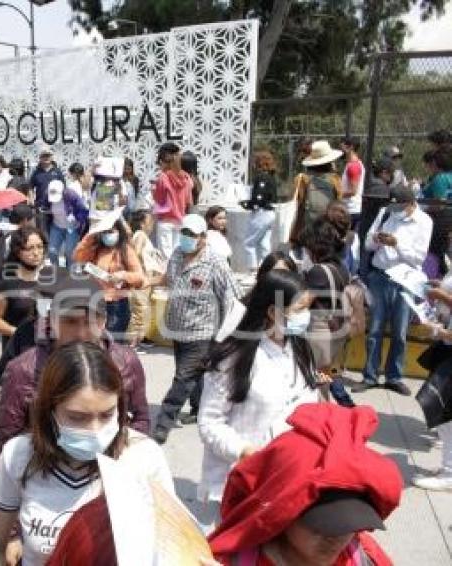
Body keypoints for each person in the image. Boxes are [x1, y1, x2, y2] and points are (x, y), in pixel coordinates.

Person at [0, 342, 174, 566]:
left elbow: (171, 548)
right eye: (76, 417)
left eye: (106, 415)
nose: (95, 431)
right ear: (49, 409)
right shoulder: (19, 455)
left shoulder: (143, 456)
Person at [208, 404, 402, 566]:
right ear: (278, 516)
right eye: (323, 525)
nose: (336, 537)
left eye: (349, 524)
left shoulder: (364, 557)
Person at [0, 273, 150, 465]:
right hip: (45, 473)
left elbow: (140, 420)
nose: (81, 333)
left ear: (104, 321)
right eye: (70, 321)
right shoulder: (23, 370)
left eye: (91, 321)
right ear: (52, 321)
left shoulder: (125, 362)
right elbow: (6, 440)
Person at [198, 270, 320, 507]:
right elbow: (209, 422)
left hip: (285, 480)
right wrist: (244, 451)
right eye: (299, 309)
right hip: (238, 484)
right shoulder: (235, 359)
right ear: (274, 312)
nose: (305, 316)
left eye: (307, 308)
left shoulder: (300, 351)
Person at [153, 214, 241, 443]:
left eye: (192, 235)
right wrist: (142, 280)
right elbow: (167, 280)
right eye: (184, 233)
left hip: (202, 333)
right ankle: (197, 407)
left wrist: (225, 335)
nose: (186, 238)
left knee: (183, 377)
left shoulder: (216, 264)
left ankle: (163, 423)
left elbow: (233, 298)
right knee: (191, 374)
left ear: (203, 238)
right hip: (177, 329)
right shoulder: (177, 255)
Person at [353, 185, 433, 395]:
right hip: (380, 276)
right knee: (375, 330)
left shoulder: (424, 222)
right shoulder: (385, 213)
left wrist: (397, 244)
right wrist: (377, 240)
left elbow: (418, 258)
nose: (395, 210)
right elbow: (368, 244)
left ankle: (394, 377)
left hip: (405, 280)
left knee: (399, 332)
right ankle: (370, 376)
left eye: (399, 206)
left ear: (411, 203)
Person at [302, 219, 356, 407]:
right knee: (323, 379)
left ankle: (317, 418)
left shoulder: (318, 271)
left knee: (312, 382)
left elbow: (302, 303)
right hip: (336, 332)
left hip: (318, 332)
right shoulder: (341, 267)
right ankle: (324, 411)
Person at [72, 210, 145, 337]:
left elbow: (139, 276)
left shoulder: (125, 249)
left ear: (119, 232)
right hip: (95, 302)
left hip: (117, 304)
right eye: (105, 232)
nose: (108, 235)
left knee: (112, 343)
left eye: (111, 231)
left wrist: (122, 275)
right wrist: (91, 236)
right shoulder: (96, 249)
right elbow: (77, 257)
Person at [0, 226, 45, 355]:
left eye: (40, 246)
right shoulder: (8, 283)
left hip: (46, 353)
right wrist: (17, 332)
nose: (36, 253)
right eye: (29, 248)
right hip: (18, 353)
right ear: (17, 251)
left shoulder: (51, 277)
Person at [289, 140, 343, 247]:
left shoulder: (302, 179)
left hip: (307, 229)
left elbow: (298, 205)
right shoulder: (335, 180)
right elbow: (339, 201)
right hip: (328, 228)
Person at [128, 210, 166, 350]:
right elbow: (136, 253)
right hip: (142, 280)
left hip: (147, 280)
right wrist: (140, 273)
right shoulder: (141, 235)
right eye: (150, 221)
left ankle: (139, 340)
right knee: (139, 311)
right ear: (143, 223)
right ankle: (133, 344)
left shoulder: (143, 236)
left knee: (142, 311)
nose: (152, 224)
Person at [152, 142, 193, 257]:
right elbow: (188, 201)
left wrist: (153, 191)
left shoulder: (163, 177)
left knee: (165, 254)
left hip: (165, 220)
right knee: (176, 252)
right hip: (180, 219)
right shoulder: (187, 178)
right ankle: (176, 274)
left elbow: (159, 200)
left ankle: (168, 274)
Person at [242, 151, 278, 270]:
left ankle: (252, 270)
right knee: (264, 243)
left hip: (262, 212)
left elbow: (259, 197)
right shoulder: (271, 177)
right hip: (271, 213)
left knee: (249, 242)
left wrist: (247, 204)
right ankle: (267, 269)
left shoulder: (261, 177)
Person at [46, 179, 89, 268]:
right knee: (52, 251)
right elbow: (43, 207)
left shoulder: (72, 195)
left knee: (70, 252)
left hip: (71, 228)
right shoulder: (47, 196)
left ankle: (70, 273)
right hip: (57, 226)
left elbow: (83, 211)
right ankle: (55, 271)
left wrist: (76, 217)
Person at [30, 148, 65, 233]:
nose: (46, 158)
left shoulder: (58, 172)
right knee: (42, 233)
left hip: (56, 207)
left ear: (52, 157)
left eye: (48, 156)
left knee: (56, 232)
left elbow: (63, 188)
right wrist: (31, 199)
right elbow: (30, 187)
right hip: (41, 207)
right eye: (44, 156)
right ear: (40, 158)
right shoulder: (36, 173)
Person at [340, 136, 366, 229]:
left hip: (350, 211)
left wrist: (337, 193)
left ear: (350, 147)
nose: (341, 150)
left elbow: (353, 191)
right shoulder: (350, 164)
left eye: (342, 147)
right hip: (348, 210)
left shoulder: (353, 166)